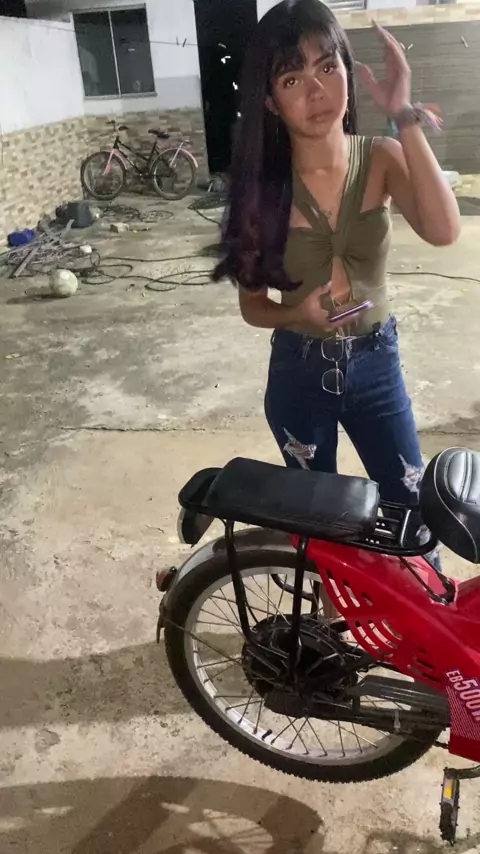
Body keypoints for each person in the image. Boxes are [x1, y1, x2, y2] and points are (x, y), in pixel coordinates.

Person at [213, 0, 460, 556]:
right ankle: (331, 608)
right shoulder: (262, 191)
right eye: (291, 79)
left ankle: (415, 607)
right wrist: (297, 313)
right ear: (271, 102)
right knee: (320, 528)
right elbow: (252, 306)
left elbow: (445, 230)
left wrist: (403, 114)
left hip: (377, 367)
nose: (317, 90)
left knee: (415, 516)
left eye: (328, 67)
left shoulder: (382, 157)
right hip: (299, 374)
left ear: (348, 70)